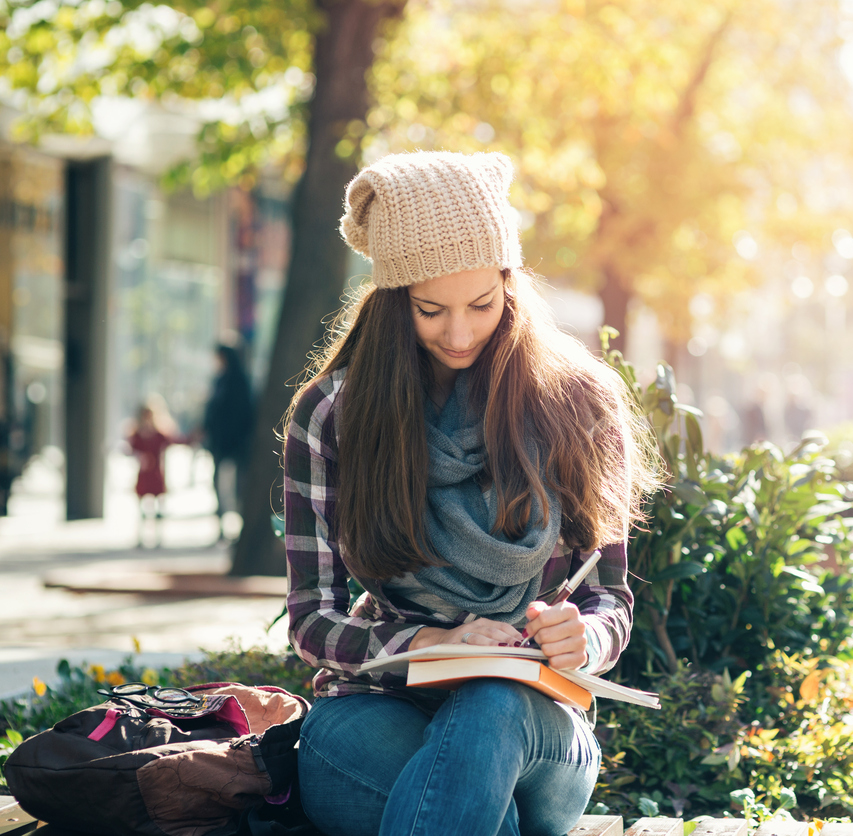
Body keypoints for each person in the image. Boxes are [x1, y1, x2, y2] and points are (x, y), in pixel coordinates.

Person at [283, 151, 662, 836]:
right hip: (376, 708)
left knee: (491, 708)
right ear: (393, 302)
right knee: (481, 798)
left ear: (510, 286)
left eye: (482, 305)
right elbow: (313, 618)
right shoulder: (333, 413)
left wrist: (584, 637)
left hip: (535, 718)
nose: (459, 334)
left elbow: (610, 599)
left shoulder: (580, 402)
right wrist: (431, 641)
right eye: (430, 311)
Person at [202, 342, 253, 540]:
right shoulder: (219, 381)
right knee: (218, 484)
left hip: (236, 444)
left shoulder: (239, 381)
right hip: (219, 444)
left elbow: (243, 413)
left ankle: (239, 527)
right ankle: (222, 527)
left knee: (238, 487)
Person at [125, 394, 183, 547]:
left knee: (158, 509)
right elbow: (131, 449)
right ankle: (140, 538)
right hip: (144, 476)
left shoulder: (159, 435)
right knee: (142, 510)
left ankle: (158, 537)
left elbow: (176, 441)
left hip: (156, 475)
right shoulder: (137, 435)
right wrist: (139, 457)